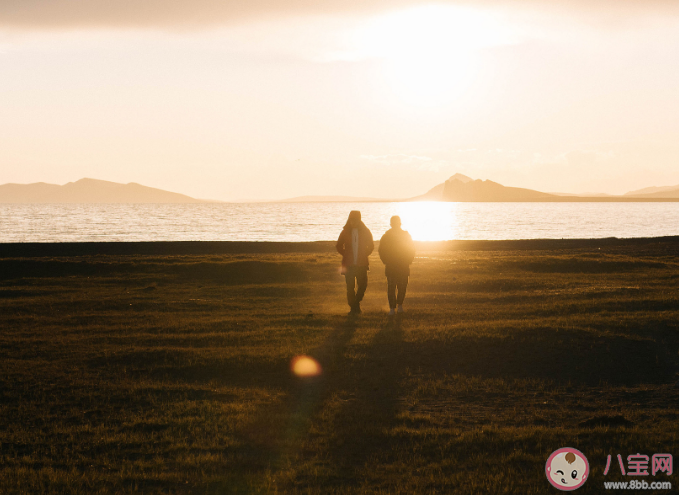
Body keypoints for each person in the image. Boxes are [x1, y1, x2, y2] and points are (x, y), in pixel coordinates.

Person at [336, 210, 374, 314]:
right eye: (351, 220)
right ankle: (354, 307)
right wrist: (345, 254)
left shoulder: (365, 231)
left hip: (361, 264)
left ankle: (355, 304)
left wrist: (365, 254)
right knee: (350, 287)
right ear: (349, 220)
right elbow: (339, 245)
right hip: (349, 265)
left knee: (363, 285)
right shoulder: (345, 232)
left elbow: (371, 245)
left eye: (355, 220)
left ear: (359, 220)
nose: (353, 222)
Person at [378, 215, 415, 315]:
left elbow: (411, 249)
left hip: (401, 265)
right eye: (393, 223)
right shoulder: (387, 236)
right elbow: (381, 251)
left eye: (396, 223)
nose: (395, 225)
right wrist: (386, 261)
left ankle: (398, 306)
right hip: (393, 266)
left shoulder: (403, 235)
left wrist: (409, 260)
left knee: (400, 287)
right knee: (393, 287)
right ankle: (393, 307)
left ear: (399, 224)